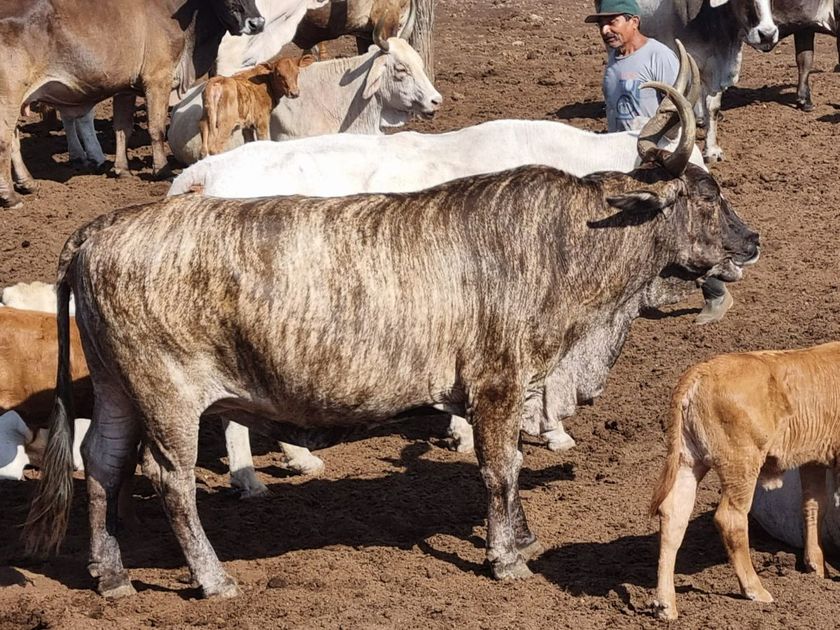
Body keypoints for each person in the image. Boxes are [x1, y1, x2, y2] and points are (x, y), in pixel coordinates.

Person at [586, 0, 733, 325]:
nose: (605, 30)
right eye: (601, 24)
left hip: (658, 162)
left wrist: (666, 156)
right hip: (624, 158)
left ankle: (717, 292)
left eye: (612, 22)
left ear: (634, 21)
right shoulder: (615, 58)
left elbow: (683, 111)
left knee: (681, 233)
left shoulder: (659, 57)